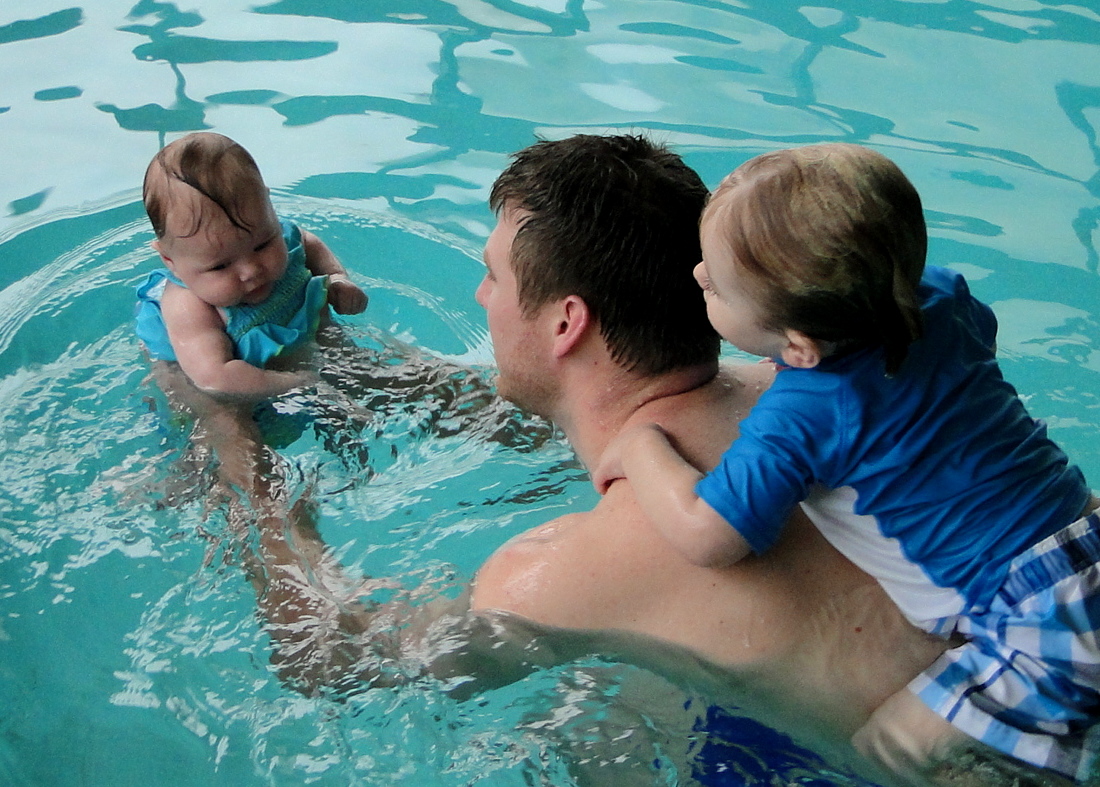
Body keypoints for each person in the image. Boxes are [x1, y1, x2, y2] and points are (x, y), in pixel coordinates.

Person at [208, 135, 956, 781]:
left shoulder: (552, 578)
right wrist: (342, 368)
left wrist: (243, 468)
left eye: (495, 275)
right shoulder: (806, 392)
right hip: (994, 684)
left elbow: (331, 661)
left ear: (568, 322)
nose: (481, 295)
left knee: (577, 723)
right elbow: (532, 416)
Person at [595, 142, 1100, 781]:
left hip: (1039, 627)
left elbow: (706, 533)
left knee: (885, 750)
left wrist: (640, 447)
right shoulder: (941, 297)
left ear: (801, 349)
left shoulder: (806, 413)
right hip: (1085, 539)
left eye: (716, 285)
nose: (697, 276)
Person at [135, 131, 368, 399]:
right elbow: (215, 378)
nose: (251, 271)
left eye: (262, 245)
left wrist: (337, 278)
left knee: (357, 361)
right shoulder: (188, 306)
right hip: (218, 379)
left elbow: (307, 242)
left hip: (297, 339)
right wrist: (298, 384)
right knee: (220, 417)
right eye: (220, 266)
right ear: (170, 261)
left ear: (269, 209)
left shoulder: (284, 238)